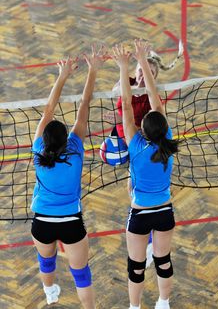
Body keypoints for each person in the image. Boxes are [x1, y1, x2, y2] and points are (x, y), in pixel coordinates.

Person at [31, 47, 103, 308]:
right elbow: (84, 103)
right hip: (71, 221)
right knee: (82, 276)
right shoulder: (75, 151)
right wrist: (93, 69)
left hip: (42, 222)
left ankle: (50, 292)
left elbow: (48, 108)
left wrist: (62, 75)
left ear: (45, 140)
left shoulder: (39, 150)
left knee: (46, 262)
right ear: (67, 138)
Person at [111, 40, 179, 309]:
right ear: (164, 128)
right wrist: (140, 65)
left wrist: (126, 64)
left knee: (136, 266)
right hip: (165, 212)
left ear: (143, 131)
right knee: (163, 262)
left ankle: (134, 307)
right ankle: (164, 302)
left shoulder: (135, 146)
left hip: (139, 214)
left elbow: (127, 106)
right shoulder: (169, 143)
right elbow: (155, 101)